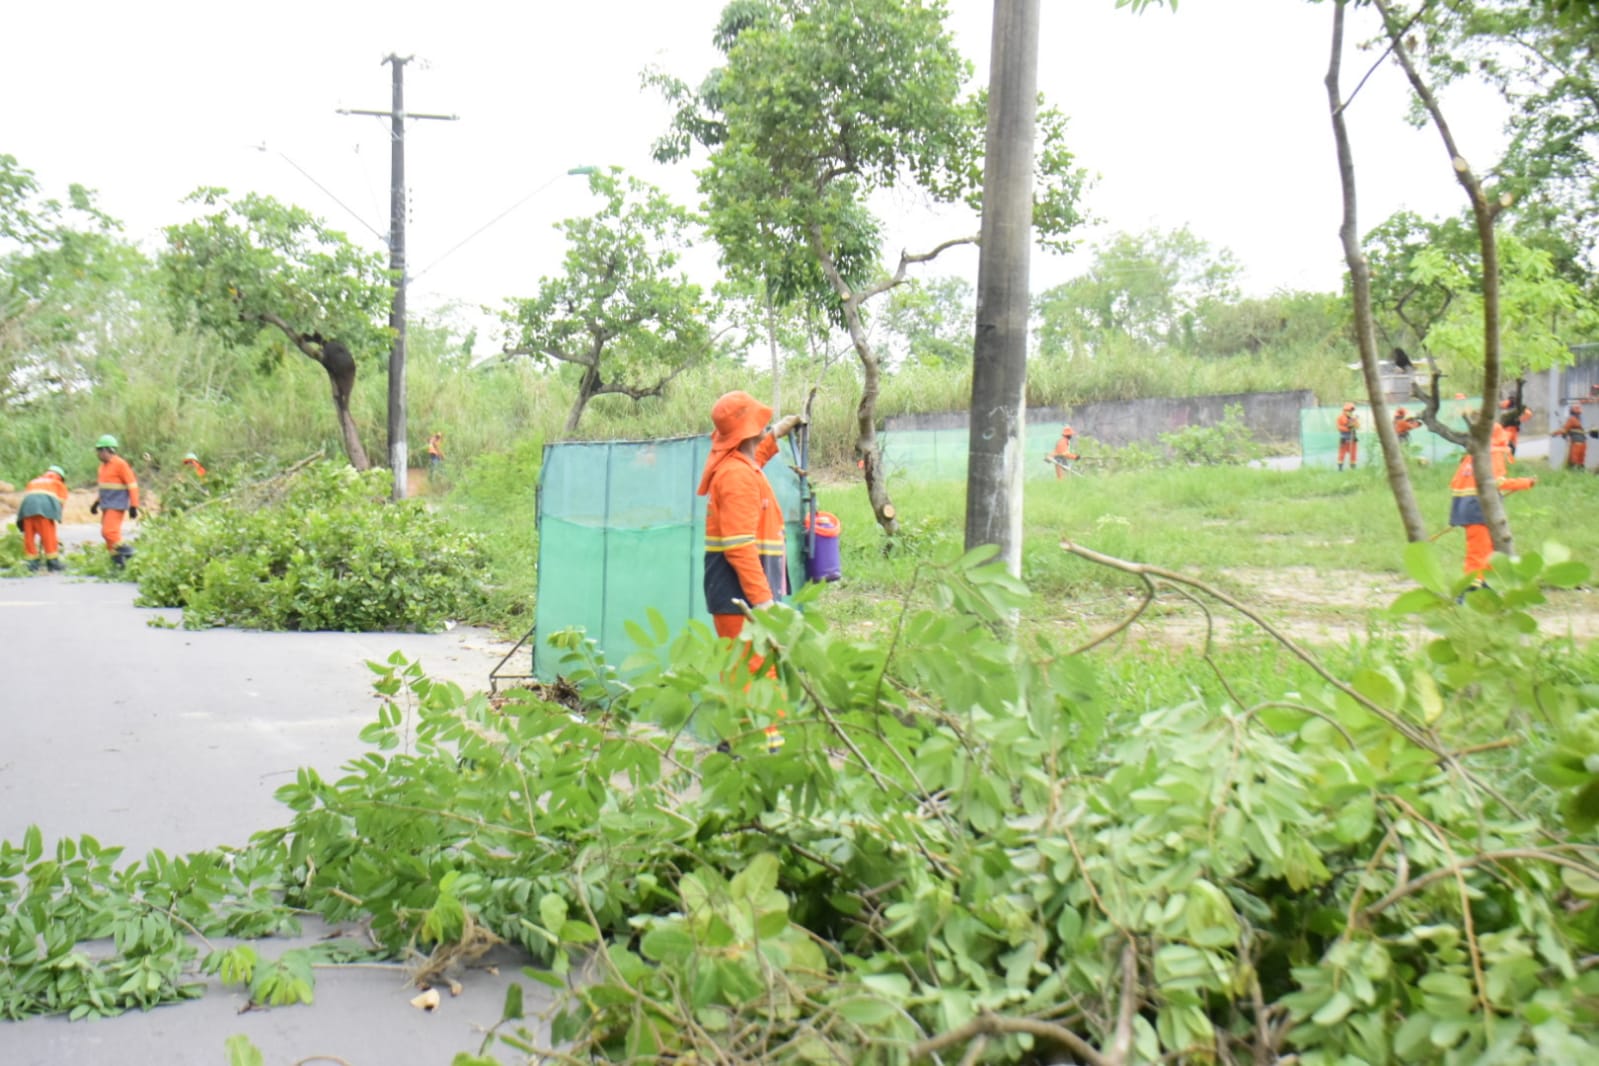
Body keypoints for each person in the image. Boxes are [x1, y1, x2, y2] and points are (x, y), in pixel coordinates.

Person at [698, 391, 804, 753]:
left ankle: (740, 742)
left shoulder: (740, 466)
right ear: (747, 430)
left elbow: (754, 457)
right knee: (754, 668)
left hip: (741, 589)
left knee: (748, 666)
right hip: (739, 591)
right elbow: (739, 546)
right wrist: (762, 601)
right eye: (758, 423)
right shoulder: (736, 477)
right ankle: (759, 748)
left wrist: (777, 433)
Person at [1448, 422, 1535, 588]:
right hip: (1479, 509)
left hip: (1466, 509)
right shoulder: (1492, 454)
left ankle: (1485, 584)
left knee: (1485, 550)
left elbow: (1454, 483)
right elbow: (1498, 482)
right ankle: (1471, 590)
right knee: (1479, 552)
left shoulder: (1471, 455)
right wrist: (1525, 482)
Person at [89, 434, 140, 568]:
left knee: (109, 532)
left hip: (117, 504)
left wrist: (134, 506)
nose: (98, 454)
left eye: (100, 450)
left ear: (109, 450)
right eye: (97, 450)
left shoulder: (120, 464)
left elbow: (132, 485)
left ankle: (130, 552)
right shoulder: (102, 468)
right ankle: (118, 563)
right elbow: (104, 488)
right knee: (107, 534)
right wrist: (96, 503)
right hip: (106, 504)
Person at [15, 465, 70, 573]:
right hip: (44, 511)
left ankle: (32, 563)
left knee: (29, 536)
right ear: (60, 477)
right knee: (48, 535)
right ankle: (52, 562)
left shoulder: (33, 481)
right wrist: (55, 517)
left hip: (27, 510)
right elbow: (60, 504)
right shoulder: (58, 484)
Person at [1553, 404, 1588, 470]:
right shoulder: (1579, 420)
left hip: (1576, 443)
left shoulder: (1571, 419)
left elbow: (1564, 430)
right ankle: (1581, 473)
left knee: (1573, 460)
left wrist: (1555, 433)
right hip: (1583, 442)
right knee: (1580, 461)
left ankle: (1573, 474)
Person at [1336, 402, 1360, 470]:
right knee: (1341, 454)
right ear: (1345, 410)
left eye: (1352, 411)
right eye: (1349, 411)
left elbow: (1357, 426)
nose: (1351, 412)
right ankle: (1340, 468)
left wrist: (1355, 422)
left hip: (1352, 439)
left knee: (1353, 454)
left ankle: (1353, 468)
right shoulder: (1340, 417)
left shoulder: (1353, 418)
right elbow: (1339, 427)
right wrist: (1348, 428)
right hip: (1344, 439)